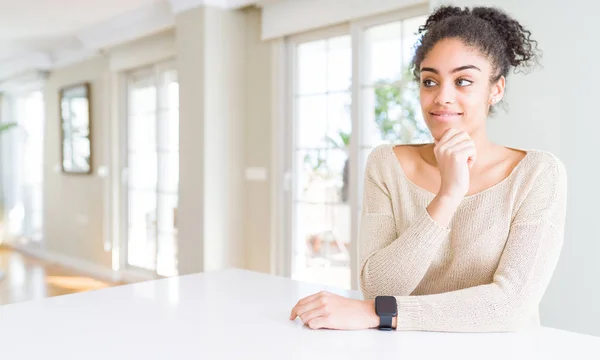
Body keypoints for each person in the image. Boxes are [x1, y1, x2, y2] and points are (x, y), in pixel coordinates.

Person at [289, 5, 567, 332]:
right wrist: (448, 195)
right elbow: (378, 289)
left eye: (463, 81)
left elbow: (511, 305)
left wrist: (377, 314)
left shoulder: (537, 174)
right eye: (430, 81)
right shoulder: (387, 164)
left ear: (496, 89)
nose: (441, 97)